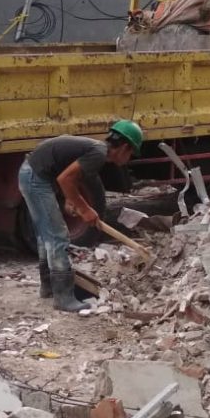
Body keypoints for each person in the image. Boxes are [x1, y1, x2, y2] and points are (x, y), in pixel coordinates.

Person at [18, 121, 143, 313]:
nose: (129, 158)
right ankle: (64, 297)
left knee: (46, 234)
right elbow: (64, 179)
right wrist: (85, 209)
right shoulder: (98, 154)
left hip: (32, 173)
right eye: (131, 153)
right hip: (36, 177)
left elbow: (68, 175)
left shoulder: (95, 149)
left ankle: (48, 287)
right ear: (125, 147)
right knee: (57, 235)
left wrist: (71, 201)